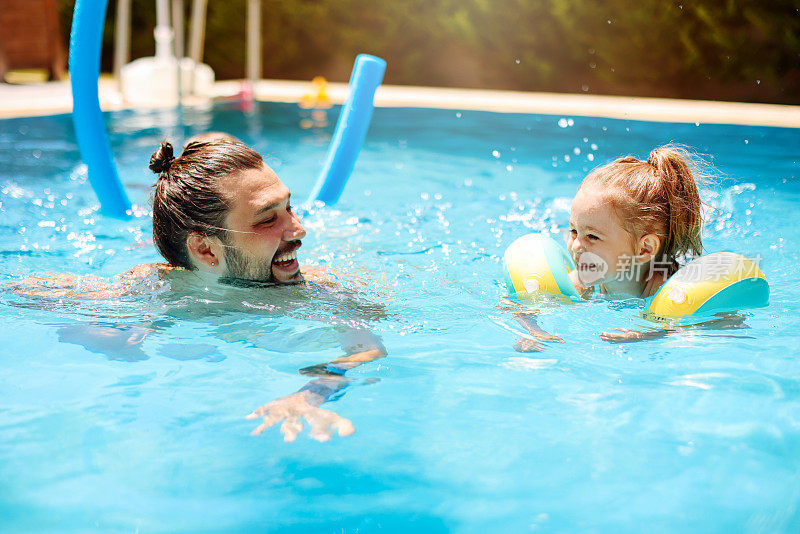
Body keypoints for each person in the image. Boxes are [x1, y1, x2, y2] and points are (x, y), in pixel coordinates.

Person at [7, 135, 387, 442]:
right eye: (268, 219)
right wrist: (98, 331)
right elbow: (32, 294)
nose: (299, 229)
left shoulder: (322, 291)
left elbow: (367, 350)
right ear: (204, 249)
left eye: (289, 207)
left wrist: (311, 393)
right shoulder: (152, 285)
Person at [511, 144, 746, 350]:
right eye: (574, 231)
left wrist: (649, 335)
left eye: (592, 236)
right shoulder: (584, 280)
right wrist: (535, 332)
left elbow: (729, 321)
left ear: (644, 249)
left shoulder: (665, 287)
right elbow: (514, 306)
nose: (576, 245)